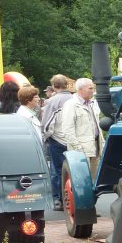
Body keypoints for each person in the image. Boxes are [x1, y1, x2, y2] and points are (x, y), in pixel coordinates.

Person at [59, 78, 102, 194]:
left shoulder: (93, 103)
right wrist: (78, 148)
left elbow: (97, 126)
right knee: (82, 183)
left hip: (95, 149)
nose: (93, 90)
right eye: (90, 88)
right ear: (80, 89)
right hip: (81, 152)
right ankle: (82, 210)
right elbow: (67, 130)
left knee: (93, 183)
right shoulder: (71, 105)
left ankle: (91, 209)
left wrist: (101, 145)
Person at [42, 75, 73, 211]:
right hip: (73, 140)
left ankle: (58, 199)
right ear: (67, 85)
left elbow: (47, 124)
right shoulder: (75, 99)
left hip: (58, 140)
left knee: (57, 170)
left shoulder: (52, 101)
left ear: (54, 86)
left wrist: (46, 137)